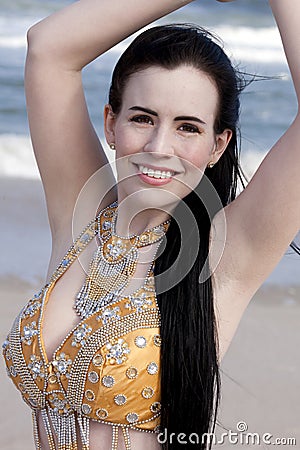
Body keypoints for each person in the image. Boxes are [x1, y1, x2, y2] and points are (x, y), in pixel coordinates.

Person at [2, 0, 300, 449]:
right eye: (142, 118)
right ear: (111, 122)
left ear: (218, 145)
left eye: (188, 128)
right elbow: (48, 47)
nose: (159, 146)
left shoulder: (224, 255)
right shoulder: (79, 217)